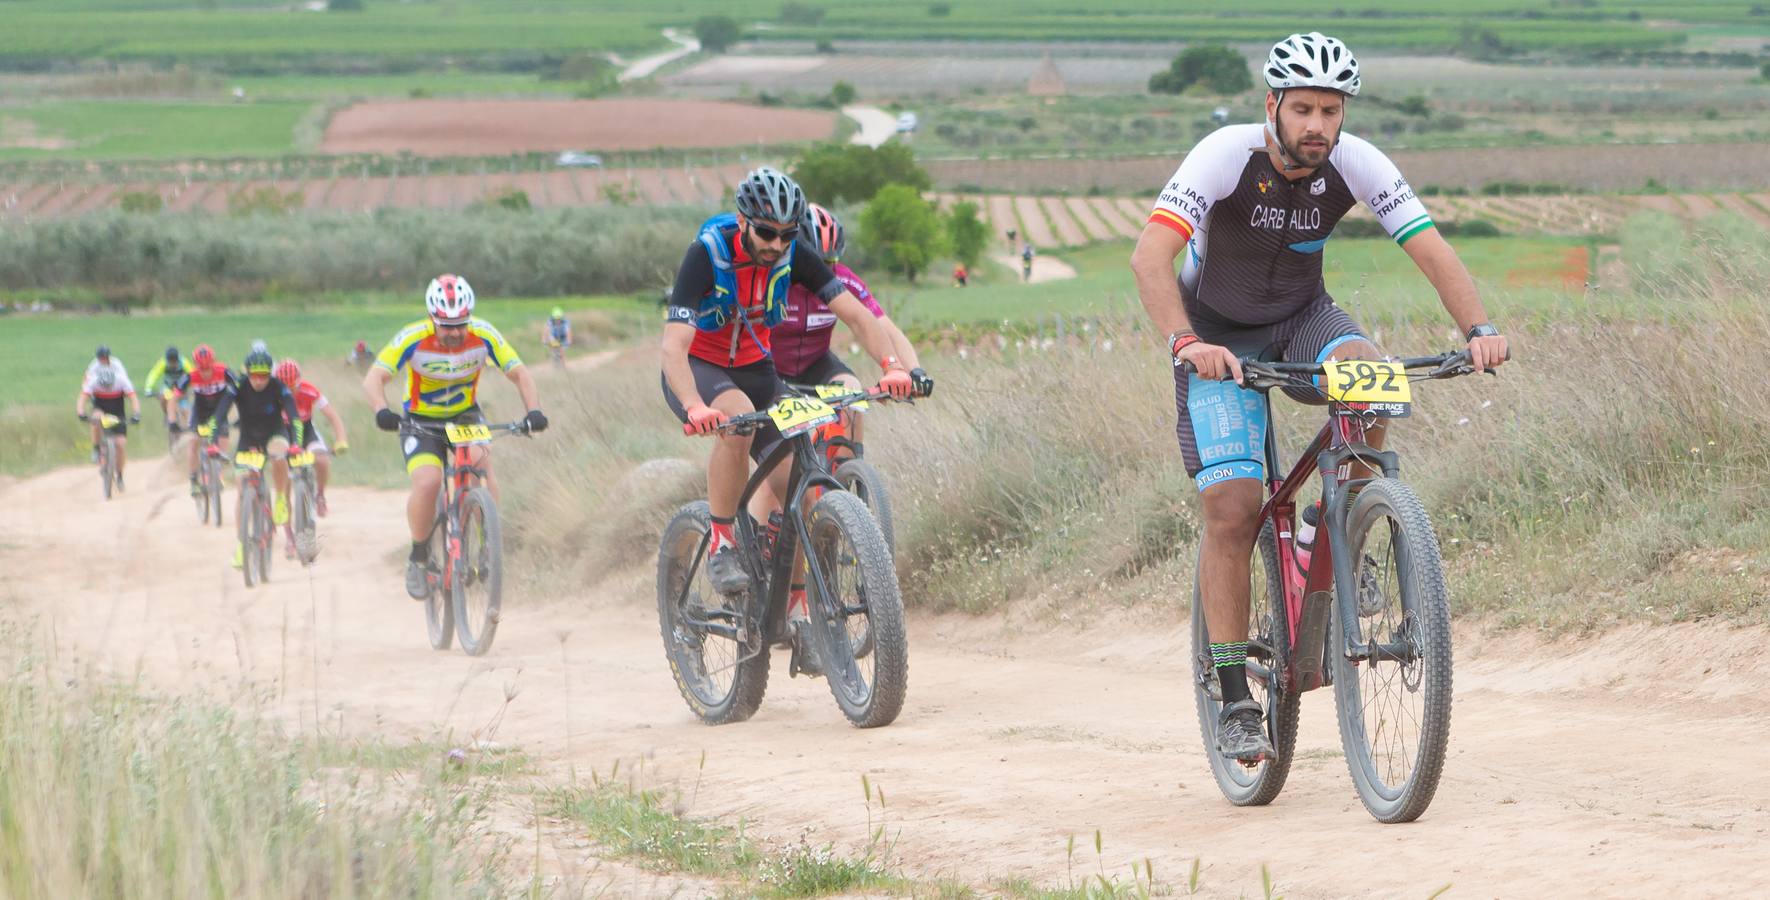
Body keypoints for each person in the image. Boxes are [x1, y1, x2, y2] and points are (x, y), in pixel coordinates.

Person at [1129, 32, 1509, 763]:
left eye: (1330, 111)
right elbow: (1151, 255)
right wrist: (1185, 343)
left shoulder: (1357, 162)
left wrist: (1479, 328)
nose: (1317, 125)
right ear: (1271, 106)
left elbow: (1429, 245)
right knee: (1233, 507)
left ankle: (1330, 528)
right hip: (1216, 338)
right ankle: (1236, 695)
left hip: (1303, 318)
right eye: (1302, 108)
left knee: (1370, 375)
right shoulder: (1223, 156)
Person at [660, 168, 913, 677]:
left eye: (785, 234)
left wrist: (893, 369)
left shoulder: (797, 252)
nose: (776, 244)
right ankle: (722, 541)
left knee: (798, 488)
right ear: (742, 222)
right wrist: (694, 406)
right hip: (703, 370)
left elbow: (859, 315)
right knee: (737, 424)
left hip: (758, 370)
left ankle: (797, 613)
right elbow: (673, 346)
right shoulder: (706, 254)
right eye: (765, 233)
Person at [363, 274, 547, 600]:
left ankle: (487, 541)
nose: (455, 332)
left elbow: (520, 373)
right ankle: (419, 556)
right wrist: (382, 410)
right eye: (446, 325)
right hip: (421, 420)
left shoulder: (483, 335)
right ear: (432, 318)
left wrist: (533, 412)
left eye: (461, 323)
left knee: (480, 462)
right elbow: (374, 378)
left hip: (464, 415)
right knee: (428, 482)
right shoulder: (413, 337)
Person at [214, 347, 298, 568]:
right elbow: (220, 413)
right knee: (242, 490)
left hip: (274, 434)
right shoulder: (238, 385)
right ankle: (242, 545)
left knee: (279, 453)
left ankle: (280, 499)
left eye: (263, 376)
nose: (259, 381)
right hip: (248, 439)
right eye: (254, 376)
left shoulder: (279, 387)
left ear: (270, 373)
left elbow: (294, 415)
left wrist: (297, 443)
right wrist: (214, 440)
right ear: (247, 373)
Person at [274, 358, 349, 542]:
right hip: (283, 433)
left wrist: (341, 440)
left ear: (299, 381)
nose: (290, 391)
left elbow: (333, 416)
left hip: (307, 431)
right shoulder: (272, 394)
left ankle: (320, 495)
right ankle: (289, 534)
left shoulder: (309, 390)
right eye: (286, 388)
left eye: (293, 386)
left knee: (322, 459)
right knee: (286, 484)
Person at [75, 345, 141, 490]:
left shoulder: (120, 376)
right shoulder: (94, 374)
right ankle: (96, 448)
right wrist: (81, 413)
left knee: (121, 444)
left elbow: (133, 398)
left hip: (117, 406)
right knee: (96, 418)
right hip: (99, 403)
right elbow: (83, 396)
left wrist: (136, 414)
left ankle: (120, 476)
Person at [179, 344, 236, 496]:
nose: (205, 373)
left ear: (213, 363)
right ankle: (193, 481)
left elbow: (240, 390)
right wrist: (172, 420)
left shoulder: (224, 371)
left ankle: (219, 474)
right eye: (201, 369)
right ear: (196, 366)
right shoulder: (190, 376)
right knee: (194, 442)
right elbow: (174, 397)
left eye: (208, 368)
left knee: (223, 438)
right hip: (200, 411)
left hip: (219, 410)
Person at [143, 345, 192, 434]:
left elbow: (192, 375)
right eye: (170, 361)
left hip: (181, 390)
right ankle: (167, 414)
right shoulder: (163, 362)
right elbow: (154, 374)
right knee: (162, 397)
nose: (172, 364)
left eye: (174, 361)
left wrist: (195, 387)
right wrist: (148, 388)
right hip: (168, 388)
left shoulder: (184, 362)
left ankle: (190, 429)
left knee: (186, 411)